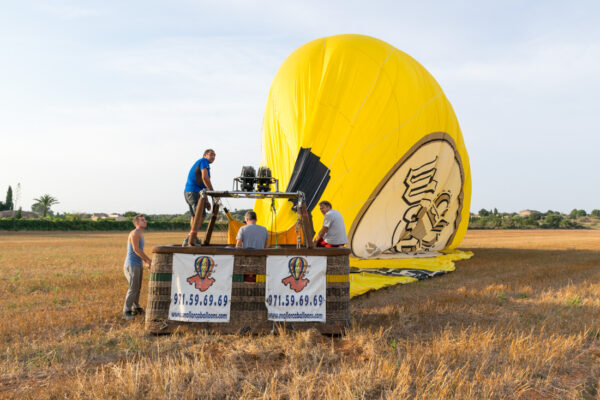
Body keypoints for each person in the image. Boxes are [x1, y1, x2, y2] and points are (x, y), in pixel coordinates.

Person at [184, 149, 216, 245]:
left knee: (195, 216)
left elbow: (203, 186)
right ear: (204, 155)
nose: (213, 157)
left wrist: (206, 201)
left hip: (189, 192)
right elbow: (205, 178)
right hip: (194, 192)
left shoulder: (203, 163)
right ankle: (190, 238)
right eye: (211, 154)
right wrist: (213, 193)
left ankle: (193, 238)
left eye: (214, 155)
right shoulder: (203, 161)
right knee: (201, 216)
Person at [122, 214, 152, 320]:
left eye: (145, 219)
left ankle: (136, 307)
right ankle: (126, 311)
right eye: (142, 220)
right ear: (136, 223)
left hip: (137, 264)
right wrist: (148, 260)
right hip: (131, 265)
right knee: (133, 288)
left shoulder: (140, 233)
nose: (145, 221)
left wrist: (145, 262)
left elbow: (139, 252)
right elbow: (136, 250)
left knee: (137, 288)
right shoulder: (134, 233)